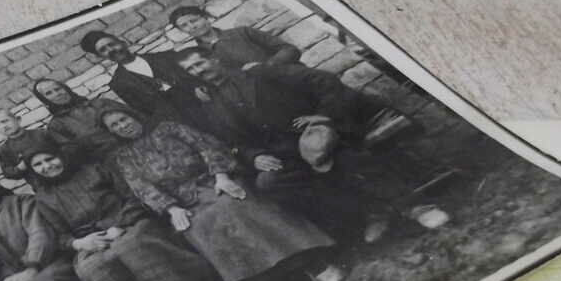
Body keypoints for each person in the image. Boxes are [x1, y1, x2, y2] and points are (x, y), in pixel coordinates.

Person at [175, 47, 449, 240]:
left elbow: (325, 81)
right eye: (191, 70)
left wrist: (324, 116)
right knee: (270, 185)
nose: (198, 71)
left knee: (342, 160)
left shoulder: (261, 73)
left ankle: (417, 208)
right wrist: (254, 156)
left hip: (320, 136)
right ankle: (371, 213)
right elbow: (234, 141)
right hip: (284, 153)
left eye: (199, 63)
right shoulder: (213, 105)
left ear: (212, 59)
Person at [100, 107, 338, 281]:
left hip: (214, 182)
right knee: (200, 226)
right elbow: (142, 188)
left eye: (124, 119)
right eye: (116, 126)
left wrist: (221, 177)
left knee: (232, 207)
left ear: (133, 115)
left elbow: (207, 146)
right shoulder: (125, 158)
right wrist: (171, 209)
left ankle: (313, 265)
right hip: (185, 203)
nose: (123, 126)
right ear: (112, 132)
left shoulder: (168, 128)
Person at [26, 149, 230, 281]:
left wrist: (122, 224)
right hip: (93, 242)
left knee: (134, 248)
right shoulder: (43, 198)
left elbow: (132, 196)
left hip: (129, 223)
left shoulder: (96, 170)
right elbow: (59, 235)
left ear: (62, 155)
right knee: (94, 268)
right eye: (38, 164)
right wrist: (79, 242)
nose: (47, 166)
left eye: (50, 158)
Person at [78, 30, 201, 122]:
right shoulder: (119, 84)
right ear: (102, 57)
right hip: (181, 122)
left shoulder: (166, 57)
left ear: (123, 42)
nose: (111, 50)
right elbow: (147, 113)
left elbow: (198, 78)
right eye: (103, 50)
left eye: (112, 44)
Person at [168, 5, 303, 71]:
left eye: (194, 20)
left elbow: (289, 49)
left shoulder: (242, 32)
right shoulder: (198, 55)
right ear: (182, 31)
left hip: (286, 75)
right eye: (184, 26)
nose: (192, 27)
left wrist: (268, 65)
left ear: (206, 18)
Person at [30, 78, 131, 165]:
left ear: (66, 88)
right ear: (45, 100)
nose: (57, 94)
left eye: (58, 89)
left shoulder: (101, 103)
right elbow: (75, 155)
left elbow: (136, 117)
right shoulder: (56, 126)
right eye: (49, 93)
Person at [0, 108, 57, 182]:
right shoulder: (4, 150)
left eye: (5, 121)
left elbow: (64, 148)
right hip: (40, 184)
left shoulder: (41, 134)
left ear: (18, 120)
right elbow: (8, 173)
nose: (3, 126)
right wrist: (21, 167)